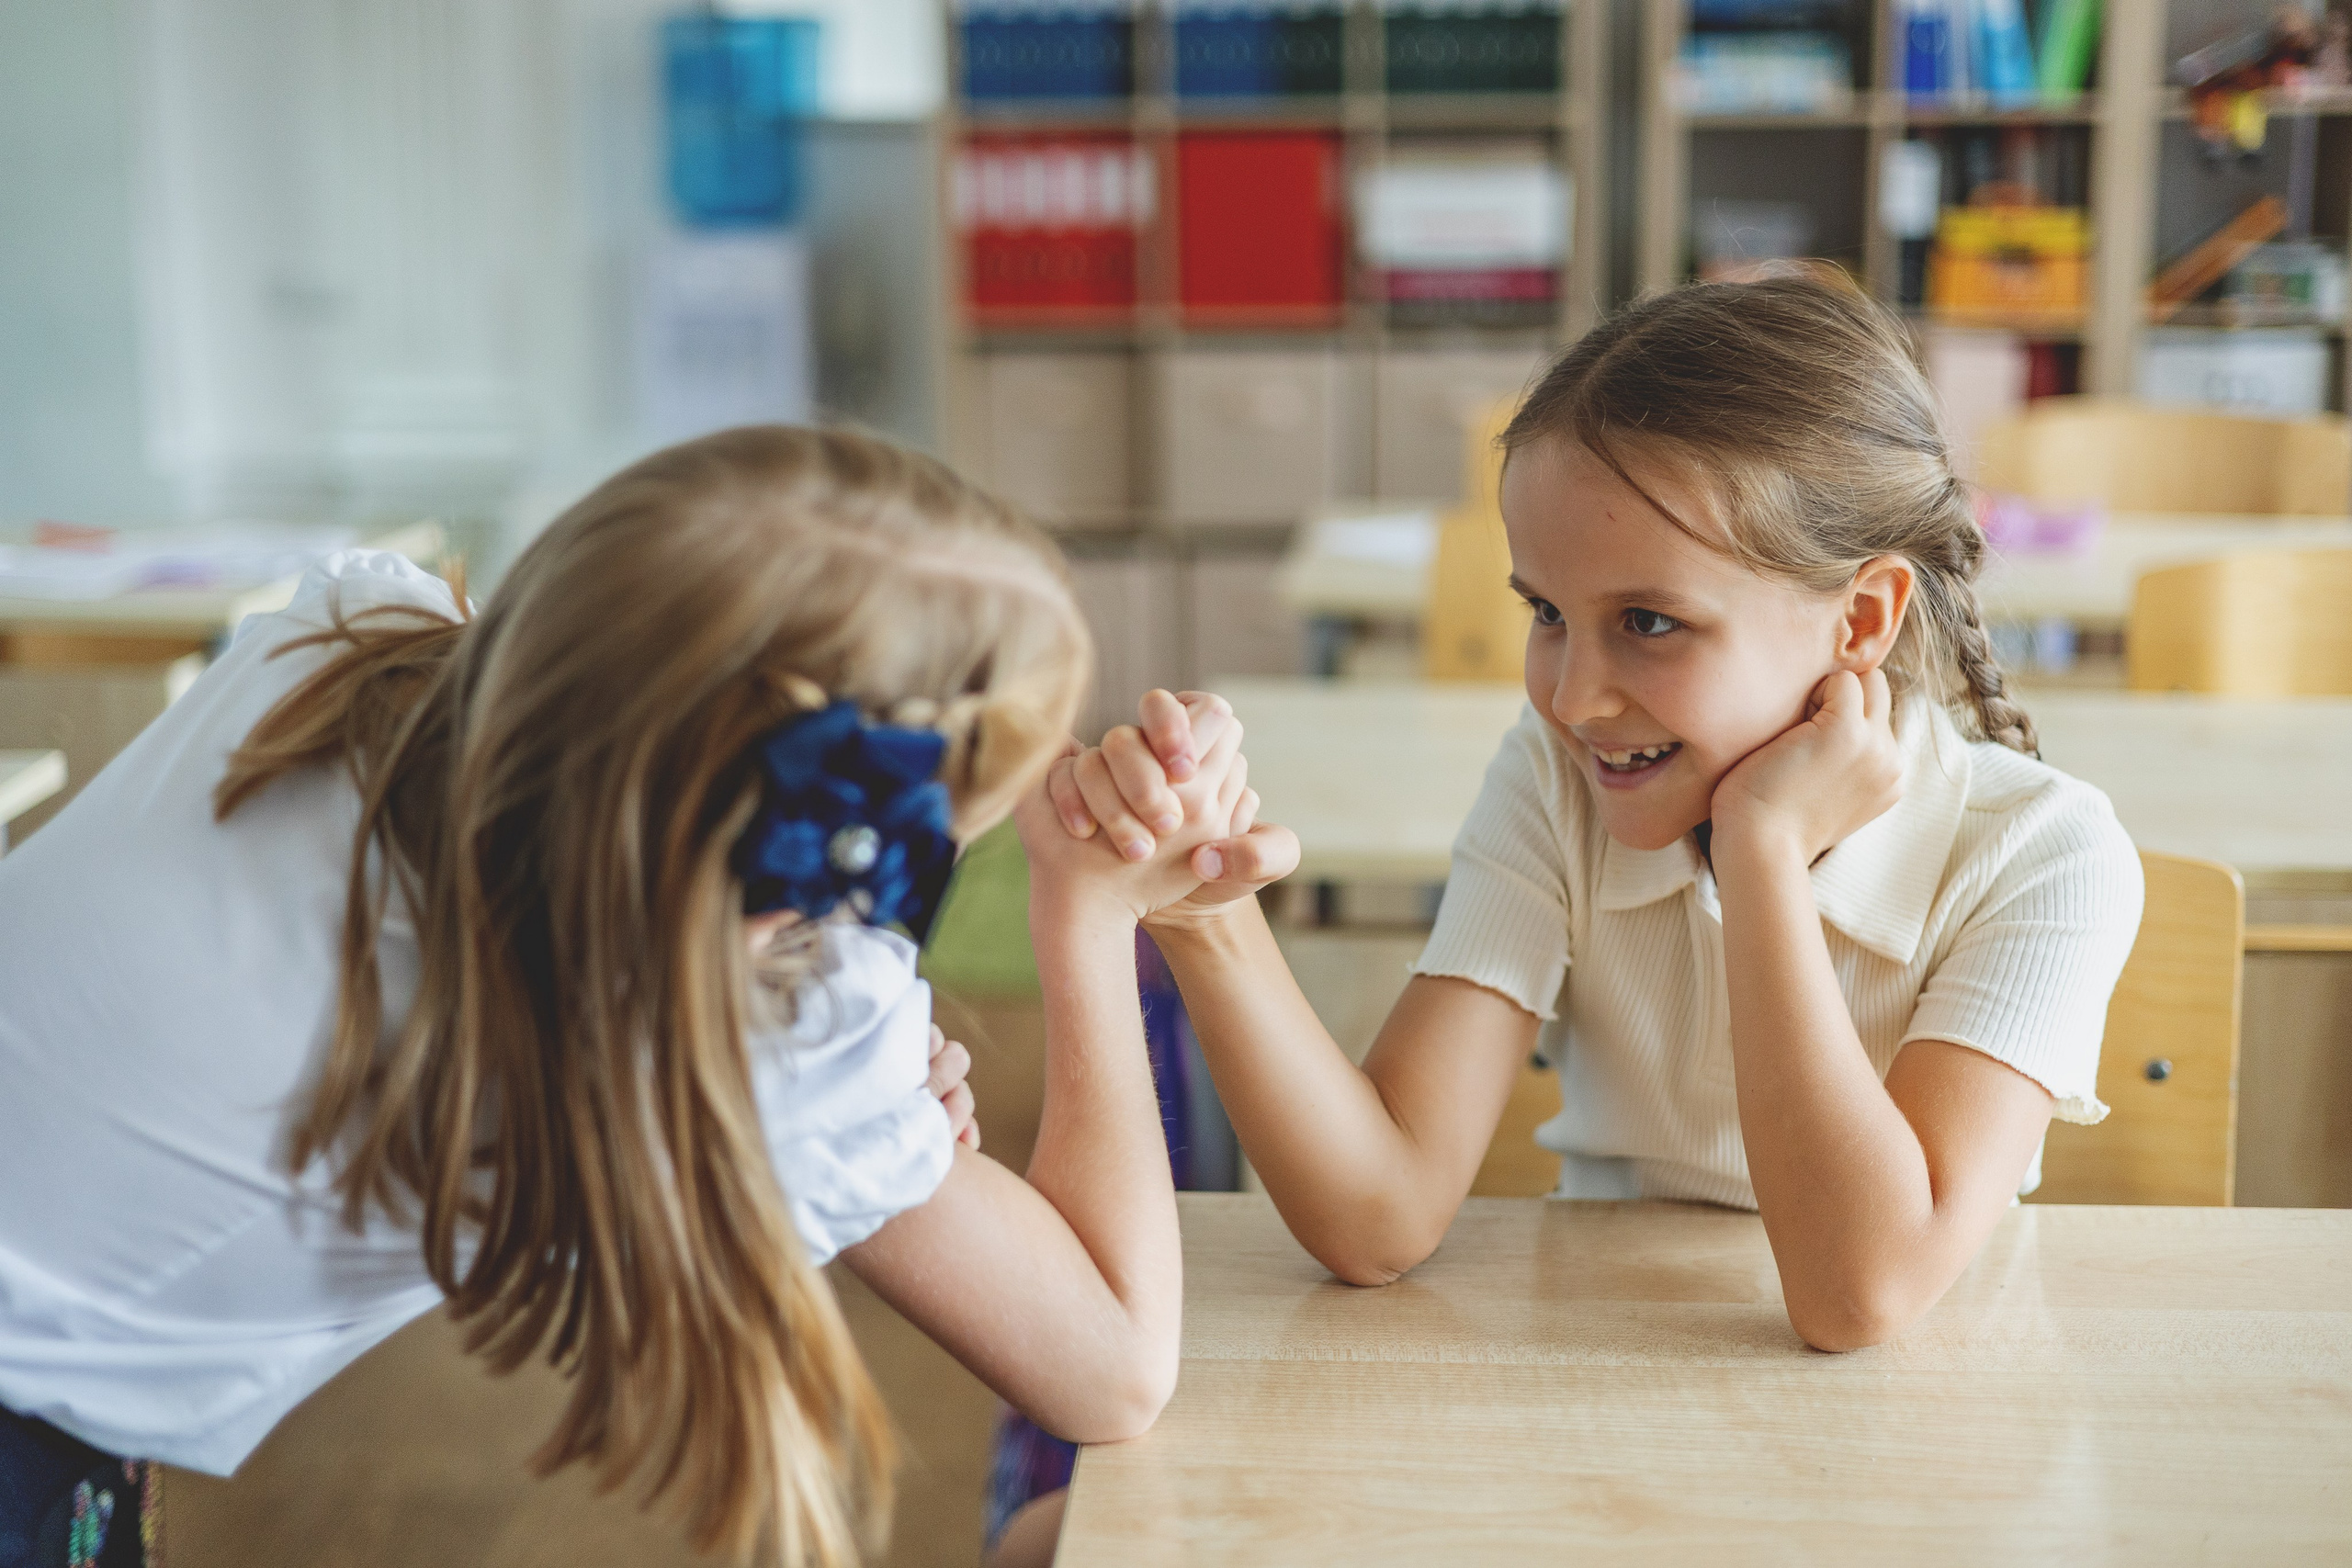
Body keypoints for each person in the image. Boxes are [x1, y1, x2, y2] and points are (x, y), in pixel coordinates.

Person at [0, 427, 1245, 1568]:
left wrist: (862, 1107)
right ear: (844, 858)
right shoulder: (765, 1043)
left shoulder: (348, 638)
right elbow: (1114, 1369)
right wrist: (1090, 910)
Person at [1044, 273, 2146, 1352]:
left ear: (1859, 621)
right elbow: (1375, 1220)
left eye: (1650, 623)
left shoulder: (2045, 853)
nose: (1571, 700)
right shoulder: (1555, 782)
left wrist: (1762, 856)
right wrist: (1205, 909)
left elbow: (1858, 1294)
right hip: (1598, 1370)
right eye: (1546, 613)